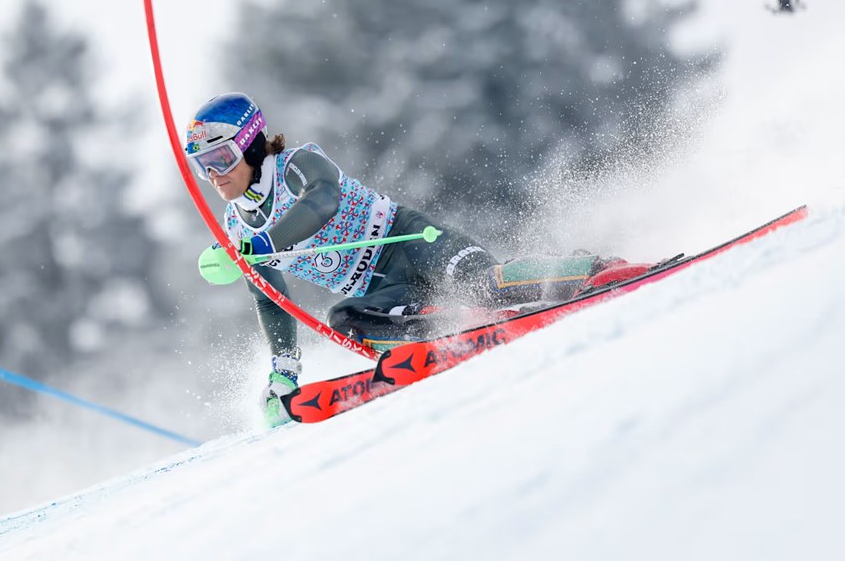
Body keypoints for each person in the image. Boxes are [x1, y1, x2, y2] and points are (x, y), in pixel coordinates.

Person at [186, 93, 648, 426]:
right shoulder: (237, 227)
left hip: (410, 242)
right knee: (343, 318)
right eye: (202, 165)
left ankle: (592, 271)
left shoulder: (297, 163)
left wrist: (269, 242)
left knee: (480, 282)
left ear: (250, 143)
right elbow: (268, 297)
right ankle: (464, 328)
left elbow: (322, 201)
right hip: (387, 291)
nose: (213, 175)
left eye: (221, 158)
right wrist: (284, 370)